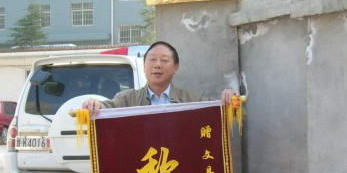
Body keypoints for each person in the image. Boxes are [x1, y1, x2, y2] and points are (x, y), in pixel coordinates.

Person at [83, 41, 236, 113]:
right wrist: (94, 105)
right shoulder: (126, 99)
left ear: (175, 67)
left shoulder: (190, 99)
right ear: (144, 66)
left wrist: (231, 99)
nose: (157, 65)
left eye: (164, 60)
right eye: (152, 60)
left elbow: (220, 109)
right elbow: (106, 109)